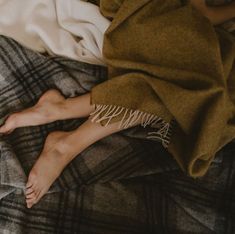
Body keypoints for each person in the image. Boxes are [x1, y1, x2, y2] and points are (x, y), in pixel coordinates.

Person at [0, 0, 235, 209]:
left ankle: (63, 123)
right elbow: (200, 12)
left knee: (192, 86)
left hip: (188, 25)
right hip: (154, 12)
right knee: (196, 80)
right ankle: (63, 128)